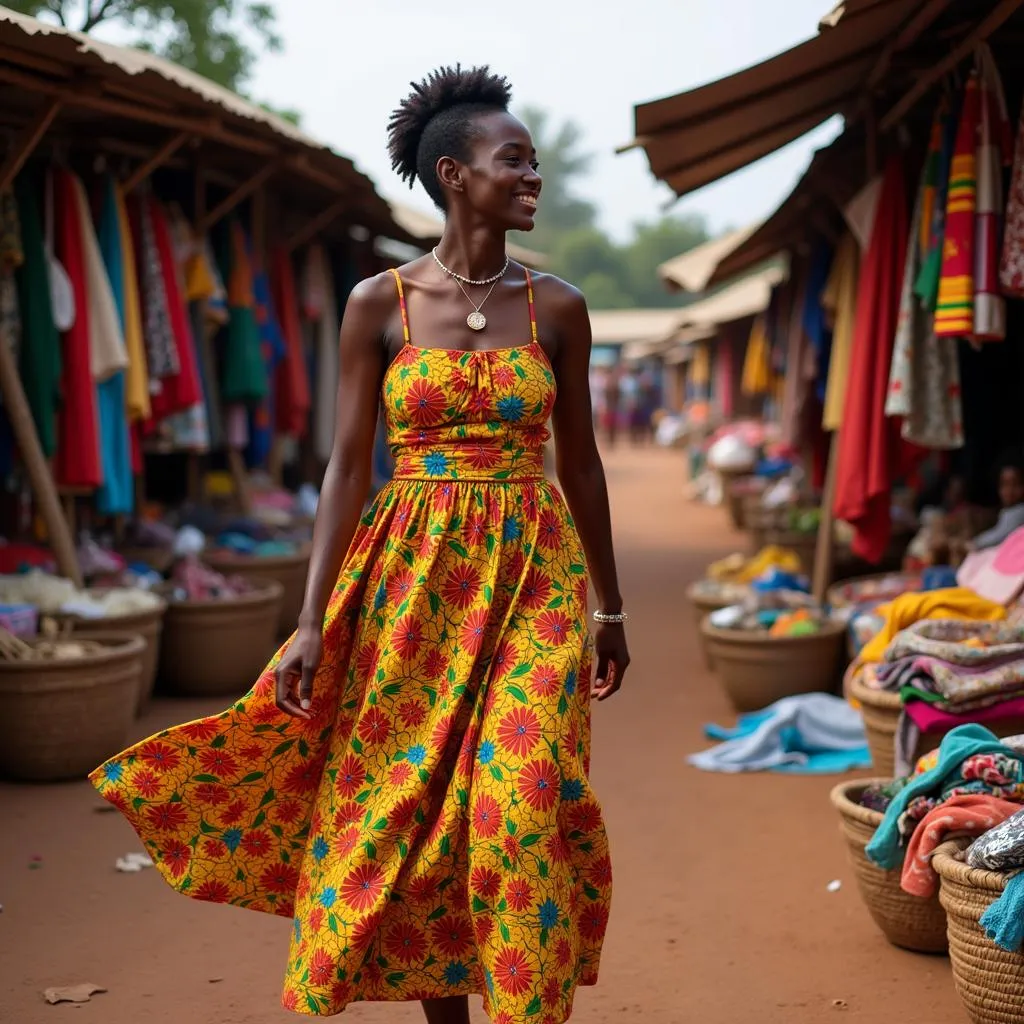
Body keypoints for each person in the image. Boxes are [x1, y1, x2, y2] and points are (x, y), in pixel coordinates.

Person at [90, 65, 629, 1024]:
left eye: (536, 161)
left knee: (516, 803)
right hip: (412, 577)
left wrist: (609, 605)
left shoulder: (562, 306)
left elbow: (580, 465)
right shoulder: (376, 303)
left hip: (532, 576)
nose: (534, 176)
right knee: (411, 803)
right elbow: (346, 468)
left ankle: (524, 1009)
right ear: (455, 173)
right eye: (516, 161)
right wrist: (308, 620)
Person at [968, 454, 1024, 552]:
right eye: (1005, 485)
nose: (1010, 491)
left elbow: (1001, 534)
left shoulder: (1020, 511)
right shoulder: (1007, 511)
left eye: (1016, 484)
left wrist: (975, 543)